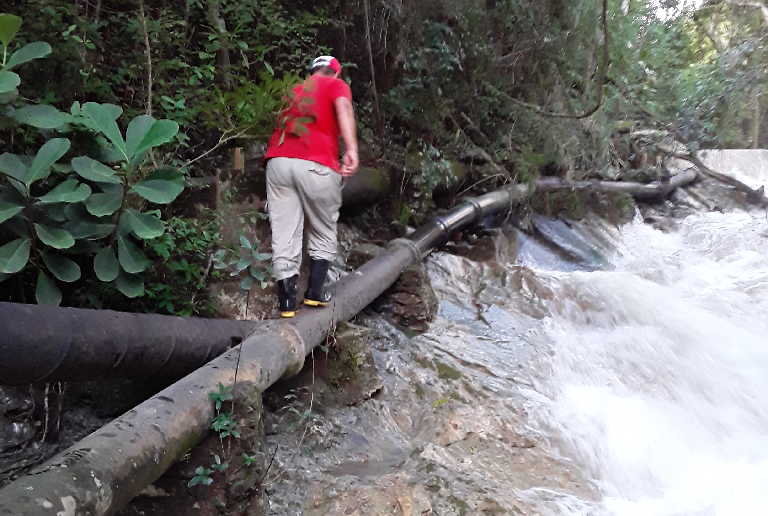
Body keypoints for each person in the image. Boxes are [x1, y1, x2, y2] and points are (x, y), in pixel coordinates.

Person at [264, 55, 359, 318]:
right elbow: (344, 109)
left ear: (311, 72)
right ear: (335, 73)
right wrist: (351, 149)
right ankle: (315, 295)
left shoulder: (293, 90)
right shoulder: (335, 85)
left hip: (278, 162)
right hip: (316, 164)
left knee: (284, 232)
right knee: (323, 226)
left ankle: (286, 304)